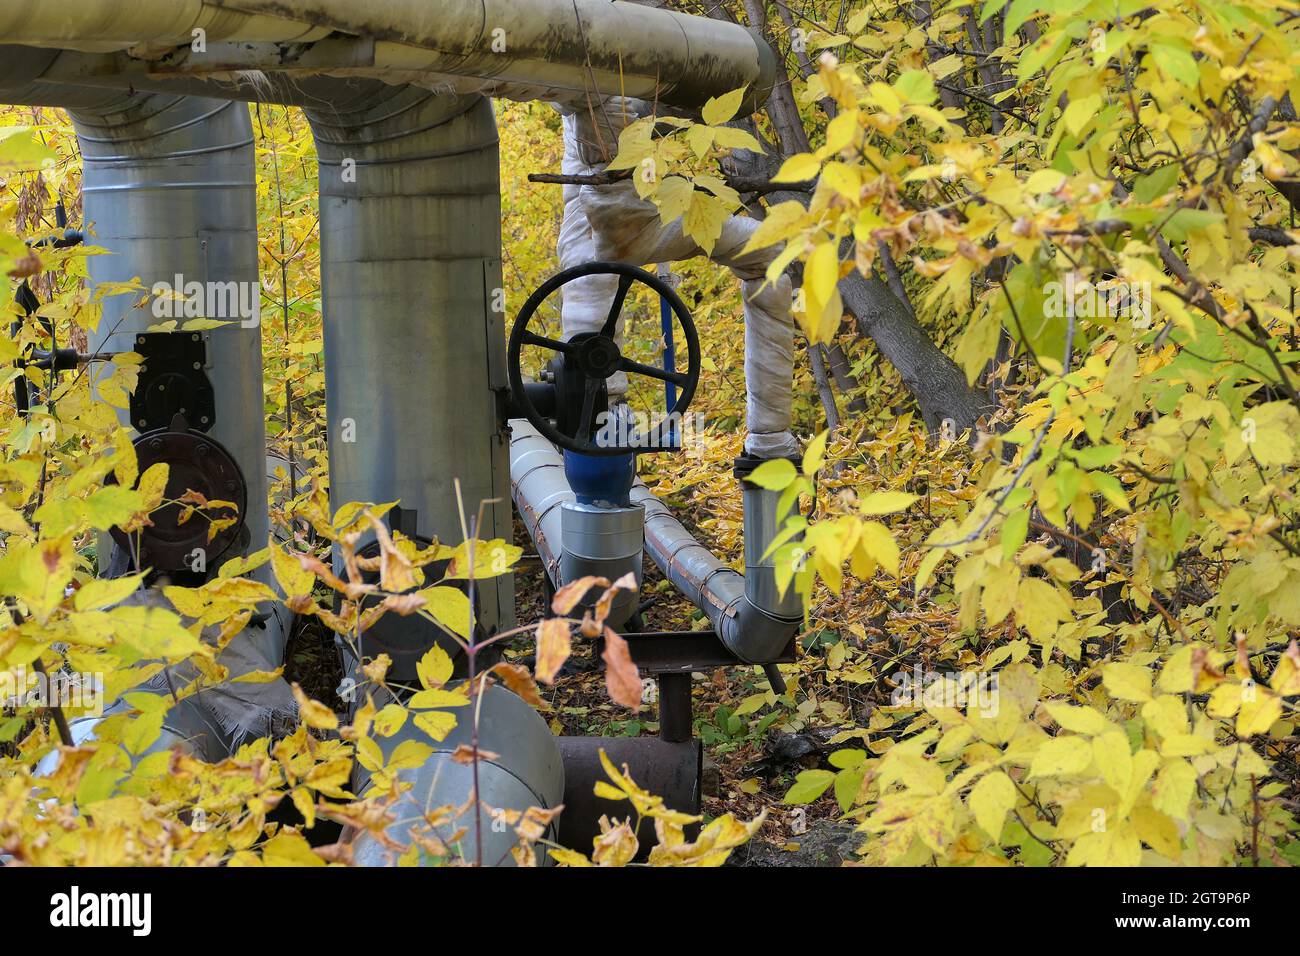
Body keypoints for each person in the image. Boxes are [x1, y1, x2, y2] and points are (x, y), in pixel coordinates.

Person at [552, 96, 799, 460]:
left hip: (617, 220)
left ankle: (607, 401)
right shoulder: (601, 80)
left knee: (767, 251)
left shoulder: (583, 85)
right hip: (631, 224)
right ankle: (770, 440)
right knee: (768, 251)